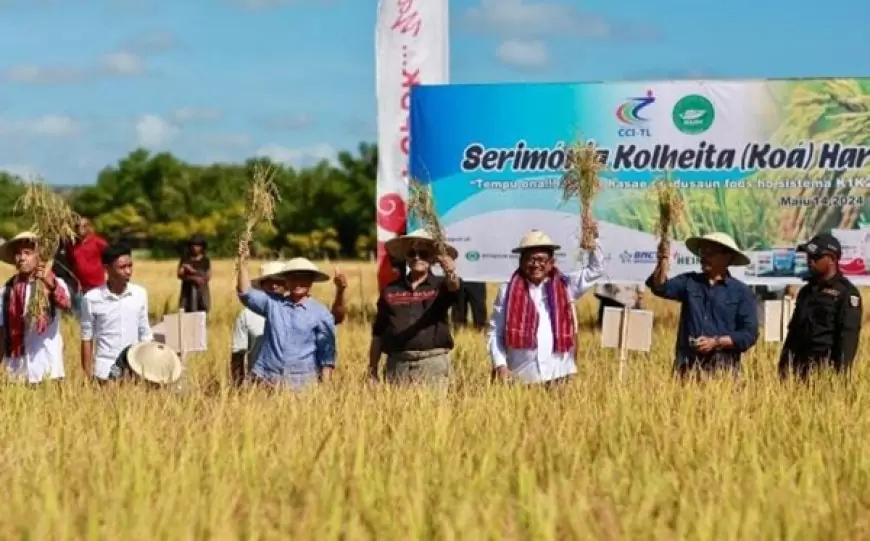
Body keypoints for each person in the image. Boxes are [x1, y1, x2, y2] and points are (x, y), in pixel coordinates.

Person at [487, 229, 604, 386]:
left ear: (551, 263)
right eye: (530, 259)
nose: (536, 265)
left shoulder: (566, 285)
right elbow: (496, 332)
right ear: (521, 262)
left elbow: (595, 270)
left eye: (541, 260)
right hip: (522, 377)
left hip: (560, 373)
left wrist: (593, 241)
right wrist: (500, 365)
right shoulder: (507, 290)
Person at [646, 232, 758, 379]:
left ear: (727, 257)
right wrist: (663, 260)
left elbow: (749, 334)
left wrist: (716, 342)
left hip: (723, 370)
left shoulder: (741, 292)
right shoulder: (690, 281)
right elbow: (660, 287)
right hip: (687, 367)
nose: (704, 256)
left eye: (710, 252)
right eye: (702, 251)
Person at [368, 229, 461, 391]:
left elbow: (454, 288)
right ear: (407, 258)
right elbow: (378, 332)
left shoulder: (441, 286)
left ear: (433, 258)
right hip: (398, 364)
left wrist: (451, 272)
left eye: (423, 253)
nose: (417, 257)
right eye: (412, 253)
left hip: (432, 363)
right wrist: (372, 369)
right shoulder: (391, 290)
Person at [230, 261, 349, 386]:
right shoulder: (273, 304)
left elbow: (326, 356)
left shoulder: (320, 313)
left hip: (301, 384)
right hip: (265, 379)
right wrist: (243, 263)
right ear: (287, 281)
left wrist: (326, 387)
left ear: (311, 281)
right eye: (293, 278)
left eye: (303, 278)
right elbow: (245, 293)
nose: (298, 282)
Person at [778, 233, 862, 380]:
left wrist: (838, 378)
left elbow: (847, 341)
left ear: (832, 259)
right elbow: (794, 333)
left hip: (824, 373)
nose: (810, 261)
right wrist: (784, 366)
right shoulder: (806, 291)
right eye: (808, 256)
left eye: (816, 257)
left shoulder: (846, 294)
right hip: (798, 371)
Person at [0, 232, 72, 384]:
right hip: (17, 370)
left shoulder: (54, 284)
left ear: (39, 256)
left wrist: (50, 284)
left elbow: (65, 304)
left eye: (27, 253)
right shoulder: (6, 291)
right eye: (18, 254)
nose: (22, 258)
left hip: (47, 367)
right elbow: (1, 331)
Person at [79, 243, 153, 384]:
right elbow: (87, 338)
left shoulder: (139, 294)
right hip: (105, 369)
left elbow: (145, 332)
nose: (128, 271)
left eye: (130, 266)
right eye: (122, 267)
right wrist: (88, 376)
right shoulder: (92, 299)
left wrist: (148, 370)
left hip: (133, 367)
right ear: (107, 268)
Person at [67, 217, 109, 315]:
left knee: (100, 312)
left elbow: (110, 256)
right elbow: (70, 263)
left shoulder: (97, 241)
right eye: (77, 226)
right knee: (83, 314)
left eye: (84, 226)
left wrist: (108, 273)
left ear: (89, 227)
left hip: (98, 285)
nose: (80, 228)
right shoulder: (71, 245)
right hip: (81, 287)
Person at [177, 235, 211, 313]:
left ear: (202, 247)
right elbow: (179, 274)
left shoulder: (205, 260)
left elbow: (208, 276)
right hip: (187, 292)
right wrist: (192, 278)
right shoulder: (185, 259)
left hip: (201, 292)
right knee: (186, 313)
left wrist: (192, 271)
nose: (195, 248)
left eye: (198, 245)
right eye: (193, 245)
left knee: (202, 313)